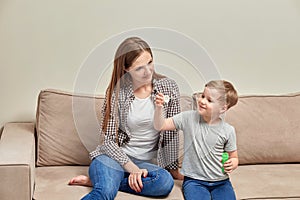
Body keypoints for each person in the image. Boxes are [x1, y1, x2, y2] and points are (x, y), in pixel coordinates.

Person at [69, 37, 183, 199]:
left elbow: (171, 132)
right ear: (125, 69)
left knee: (164, 183)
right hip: (112, 159)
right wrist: (132, 169)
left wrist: (174, 170)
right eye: (139, 68)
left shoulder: (169, 87)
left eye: (150, 62)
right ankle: (105, 183)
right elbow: (108, 142)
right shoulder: (116, 93)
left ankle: (103, 181)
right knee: (105, 192)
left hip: (145, 164)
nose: (148, 71)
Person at [154, 80, 239, 200]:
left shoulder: (228, 130)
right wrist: (159, 109)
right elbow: (160, 126)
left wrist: (233, 163)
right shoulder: (188, 118)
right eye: (203, 96)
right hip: (194, 182)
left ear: (222, 108)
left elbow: (234, 157)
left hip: (221, 182)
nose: (202, 101)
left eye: (209, 100)